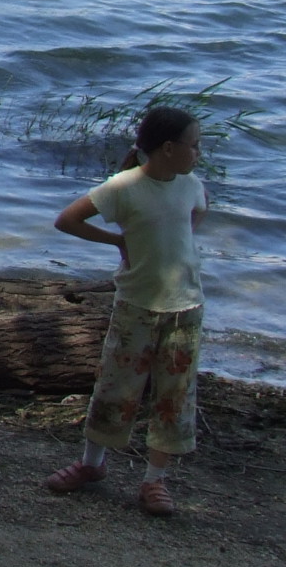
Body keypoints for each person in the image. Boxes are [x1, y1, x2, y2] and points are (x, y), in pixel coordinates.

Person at [43, 105, 208, 517]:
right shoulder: (124, 187)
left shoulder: (191, 185)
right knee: (115, 387)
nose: (199, 153)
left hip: (185, 307)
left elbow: (194, 218)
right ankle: (91, 463)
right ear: (168, 148)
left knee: (174, 396)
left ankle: (154, 479)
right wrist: (118, 242)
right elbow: (67, 220)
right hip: (136, 305)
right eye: (194, 145)